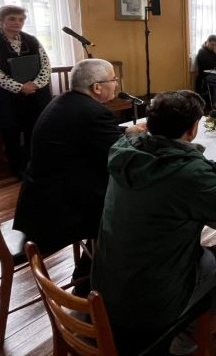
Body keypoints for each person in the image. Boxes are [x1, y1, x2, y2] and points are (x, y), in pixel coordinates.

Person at [92, 90, 216, 352]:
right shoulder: (186, 172)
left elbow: (176, 167)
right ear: (192, 130)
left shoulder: (123, 148)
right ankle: (185, 338)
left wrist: (215, 167)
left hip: (106, 284)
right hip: (153, 300)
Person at [13, 59, 144, 293]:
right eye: (113, 80)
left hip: (39, 195)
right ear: (97, 88)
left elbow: (93, 137)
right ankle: (98, 283)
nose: (115, 84)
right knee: (126, 210)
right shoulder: (94, 112)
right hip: (59, 208)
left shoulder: (65, 101)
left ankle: (88, 271)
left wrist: (127, 131)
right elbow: (119, 155)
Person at [0, 5, 52, 177]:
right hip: (6, 97)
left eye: (21, 19)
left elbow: (46, 65)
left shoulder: (31, 40)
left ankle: (34, 165)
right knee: (11, 134)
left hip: (34, 94)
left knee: (34, 130)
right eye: (12, 18)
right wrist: (19, 87)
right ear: (1, 20)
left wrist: (35, 84)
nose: (17, 22)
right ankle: (17, 169)